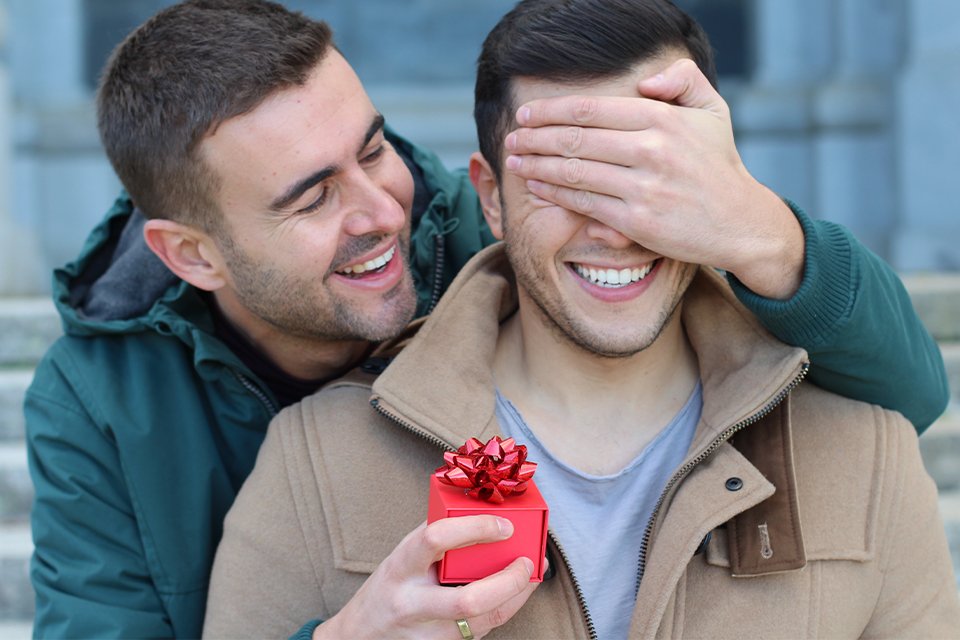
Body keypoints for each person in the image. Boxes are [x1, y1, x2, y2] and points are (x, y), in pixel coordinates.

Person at [23, 0, 949, 638]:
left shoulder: (486, 234)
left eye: (373, 148)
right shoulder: (105, 404)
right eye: (311, 200)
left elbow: (905, 388)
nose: (383, 211)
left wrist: (756, 226)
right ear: (193, 255)